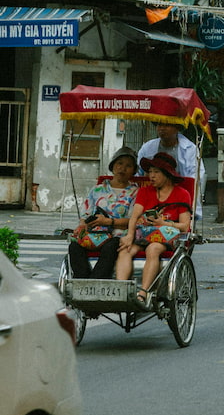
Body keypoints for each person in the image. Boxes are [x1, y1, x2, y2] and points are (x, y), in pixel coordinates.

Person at [117, 153, 192, 305]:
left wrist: (163, 223)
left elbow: (185, 226)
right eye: (150, 172)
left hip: (167, 238)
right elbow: (134, 217)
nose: (151, 176)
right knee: (125, 249)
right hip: (145, 234)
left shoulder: (182, 194)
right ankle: (120, 291)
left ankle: (143, 293)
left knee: (153, 249)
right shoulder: (145, 191)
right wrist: (130, 235)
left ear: (167, 174)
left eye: (156, 172)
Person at [67, 147, 139, 279]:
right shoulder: (97, 190)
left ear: (134, 170)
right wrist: (82, 225)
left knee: (111, 247)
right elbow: (85, 215)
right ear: (113, 166)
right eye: (119, 163)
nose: (123, 168)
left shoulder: (135, 192)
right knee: (74, 246)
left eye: (128, 166)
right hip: (93, 232)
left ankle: (94, 282)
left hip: (117, 234)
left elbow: (133, 220)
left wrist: (109, 222)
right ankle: (82, 282)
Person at [138, 122, 205, 219]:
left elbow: (195, 177)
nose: (162, 128)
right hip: (153, 194)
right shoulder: (147, 147)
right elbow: (139, 173)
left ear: (177, 128)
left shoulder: (190, 149)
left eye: (167, 125)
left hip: (179, 194)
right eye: (159, 125)